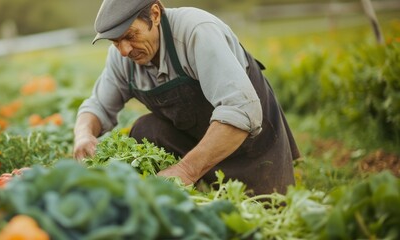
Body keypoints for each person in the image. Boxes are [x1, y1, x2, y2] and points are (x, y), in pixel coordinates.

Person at [73, 0, 300, 195]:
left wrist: (185, 171)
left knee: (259, 216)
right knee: (145, 130)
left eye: (130, 36)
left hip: (250, 148)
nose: (124, 50)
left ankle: (199, 179)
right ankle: (190, 191)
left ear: (155, 14)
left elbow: (240, 110)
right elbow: (98, 105)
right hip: (196, 143)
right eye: (115, 41)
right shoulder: (122, 56)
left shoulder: (197, 32)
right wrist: (83, 135)